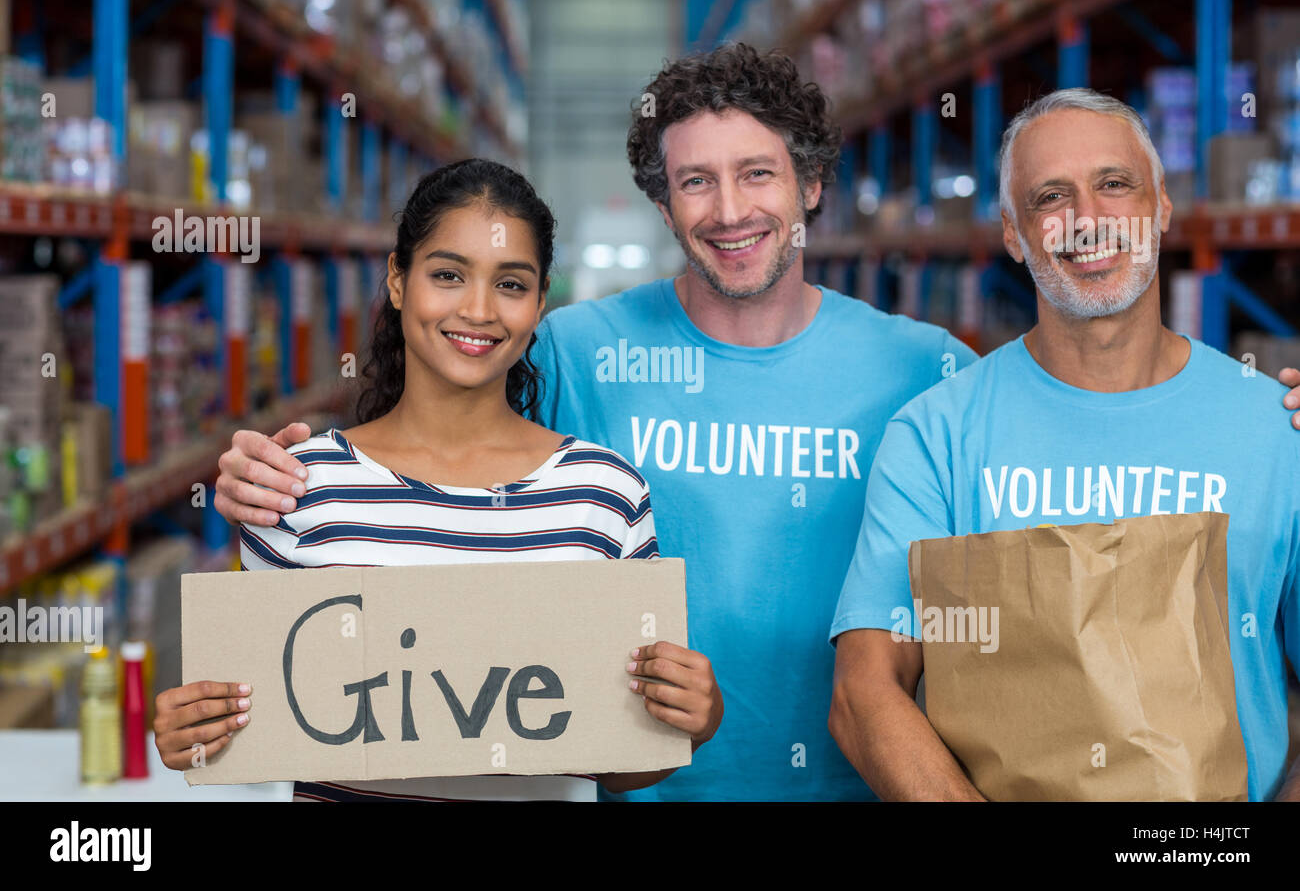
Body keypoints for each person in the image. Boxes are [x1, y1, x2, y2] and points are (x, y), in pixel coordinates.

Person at [209, 46, 1300, 801]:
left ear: (812, 184)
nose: (729, 211)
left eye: (756, 174)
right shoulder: (577, 348)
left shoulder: (923, 369)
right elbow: (439, 401)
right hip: (631, 784)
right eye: (694, 182)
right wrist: (296, 461)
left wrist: (1267, 409)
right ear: (662, 201)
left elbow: (1080, 416)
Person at [153, 159, 723, 801]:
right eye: (448, 275)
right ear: (399, 281)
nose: (478, 310)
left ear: (540, 304)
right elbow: (265, 732)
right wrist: (198, 734)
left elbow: (620, 764)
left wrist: (684, 725)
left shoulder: (604, 496)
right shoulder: (300, 487)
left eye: (510, 284)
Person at [828, 88, 1300, 802]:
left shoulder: (1278, 427)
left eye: (1115, 185)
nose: (1087, 219)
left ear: (1161, 208)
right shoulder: (937, 435)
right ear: (1015, 235)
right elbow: (865, 693)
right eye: (1051, 197)